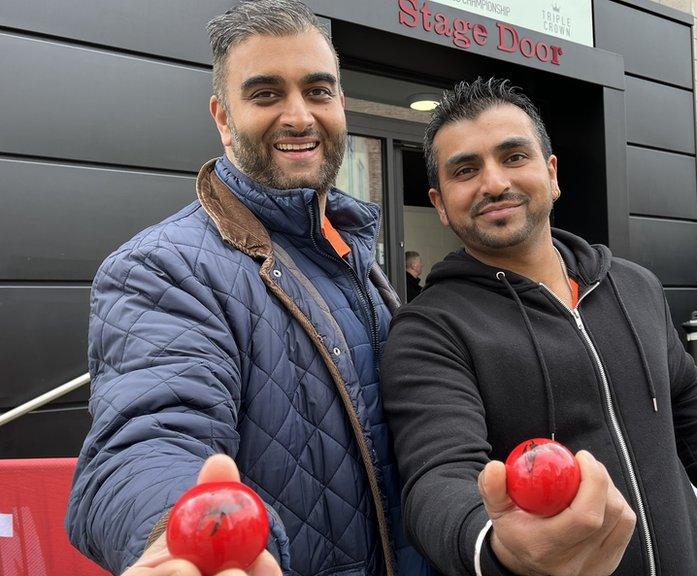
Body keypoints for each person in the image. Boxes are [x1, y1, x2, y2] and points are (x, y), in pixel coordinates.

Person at [65, 2, 429, 575]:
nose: (299, 116)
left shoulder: (350, 250)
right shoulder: (162, 269)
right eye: (265, 95)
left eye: (318, 91)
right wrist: (177, 533)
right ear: (222, 116)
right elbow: (146, 440)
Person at [380, 78, 697, 576]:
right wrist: (499, 549)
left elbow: (688, 398)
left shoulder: (635, 286)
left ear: (552, 173)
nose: (494, 183)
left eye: (514, 157)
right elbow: (437, 477)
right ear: (440, 203)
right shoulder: (428, 331)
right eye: (466, 170)